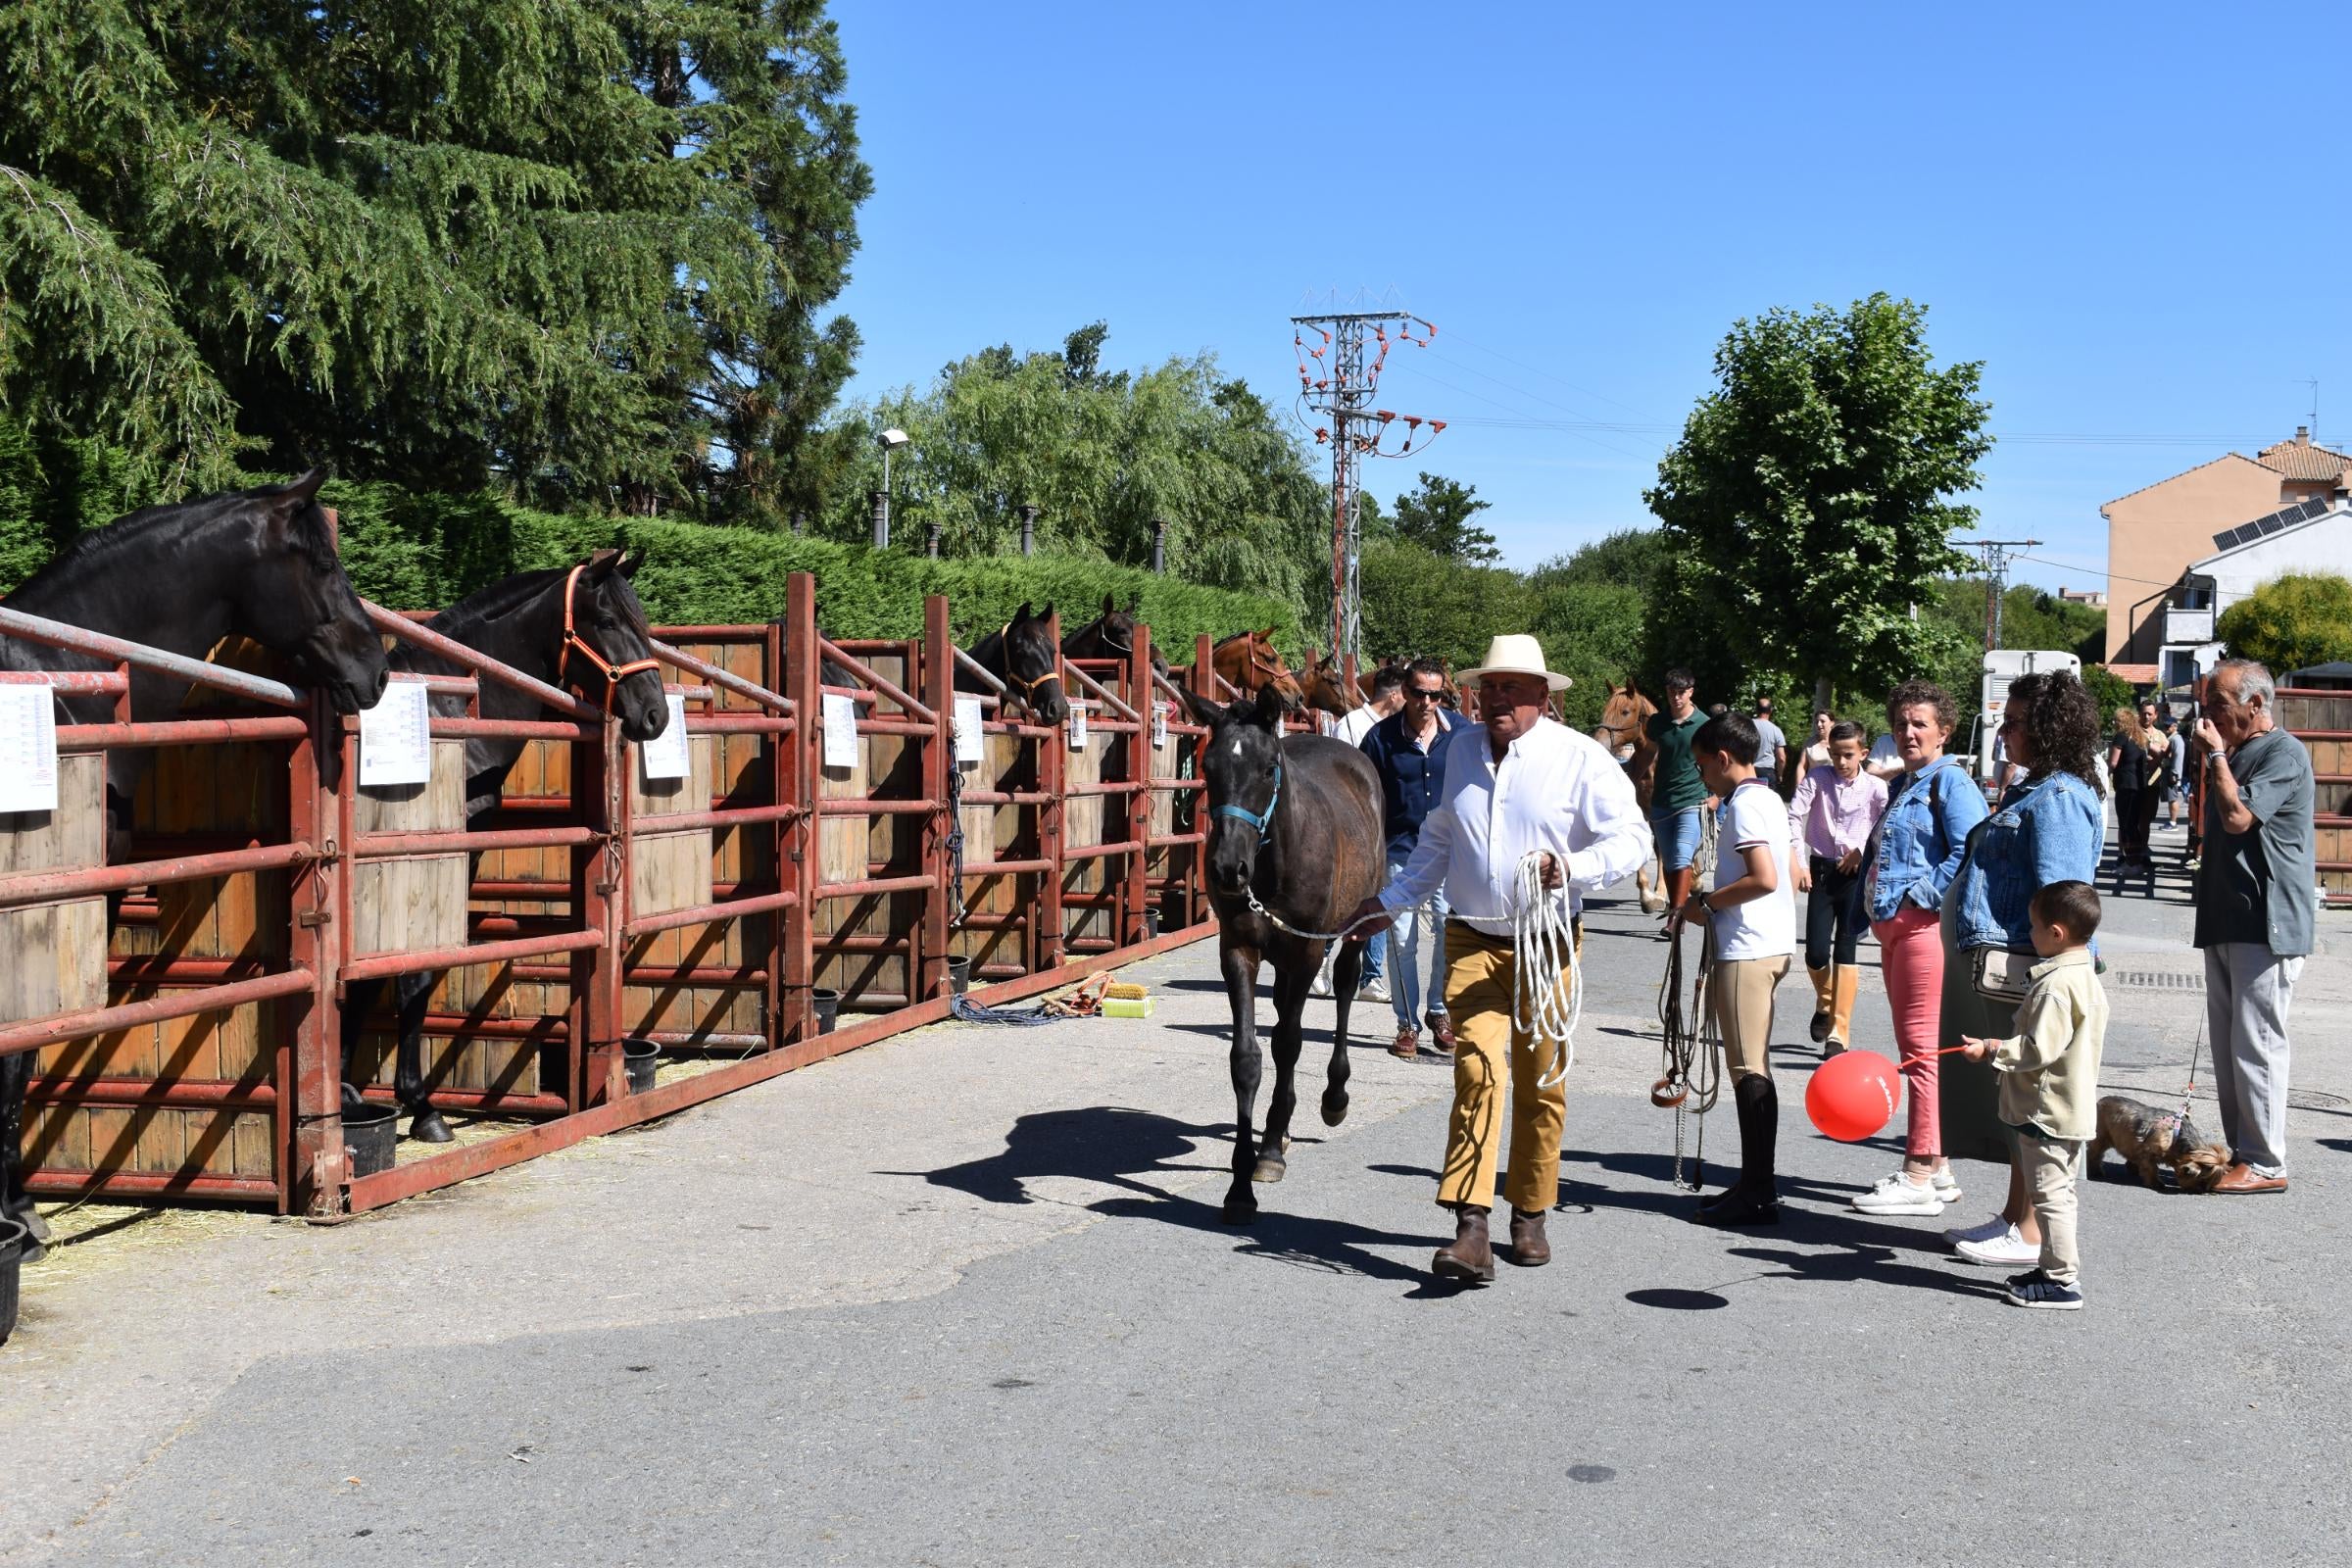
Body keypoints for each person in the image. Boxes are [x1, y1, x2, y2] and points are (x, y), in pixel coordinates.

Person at [1347, 634, 1648, 1282]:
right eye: (1489, 687)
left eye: (1512, 687)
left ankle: (1530, 1209)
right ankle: (1471, 1226)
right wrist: (1390, 901)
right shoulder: (1459, 750)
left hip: (1548, 941)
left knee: (1542, 1083)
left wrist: (1570, 867)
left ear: (1544, 696)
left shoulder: (1579, 757)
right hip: (1471, 938)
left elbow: (1632, 840)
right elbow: (1439, 838)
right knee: (1479, 1072)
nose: (1497, 698)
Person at [1939, 669, 2106, 1266]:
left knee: (2031, 1101)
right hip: (2013, 967)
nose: (2002, 733)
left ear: (2045, 728)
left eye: (2012, 723)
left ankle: (2031, 1230)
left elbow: (2062, 898)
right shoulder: (2039, 787)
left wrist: (2047, 983)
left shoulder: (2059, 797)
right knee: (2014, 1098)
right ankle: (2016, 1216)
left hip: (2028, 972)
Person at [1856, 679, 1988, 1216]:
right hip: (1895, 928)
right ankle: (1940, 1171)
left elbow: (1972, 844)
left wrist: (1922, 895)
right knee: (1921, 1050)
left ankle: (1918, 1170)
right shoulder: (1907, 784)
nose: (1908, 732)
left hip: (1921, 930)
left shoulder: (1949, 782)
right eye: (1902, 722)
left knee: (1921, 1054)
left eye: (1920, 724)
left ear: (1945, 731)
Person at [2193, 658, 2316, 1195]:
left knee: (2257, 1044)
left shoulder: (2284, 753)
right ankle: (2243, 1151)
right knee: (2228, 1044)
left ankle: (2266, 1162)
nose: (2208, 716)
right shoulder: (2240, 752)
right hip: (2227, 917)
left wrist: (2217, 756)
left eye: (2218, 705)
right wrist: (2222, 755)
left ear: (2256, 705)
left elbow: (2240, 817)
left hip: (2267, 922)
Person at [1957, 879, 2110, 1310]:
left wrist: (1990, 1048)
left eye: (2035, 928)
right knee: (2058, 1193)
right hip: (2067, 1107)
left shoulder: (2055, 987)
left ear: (2056, 933)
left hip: (2047, 1111)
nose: (2031, 936)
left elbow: (2037, 1049)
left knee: (2050, 1196)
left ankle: (2062, 1281)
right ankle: (2050, 1270)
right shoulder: (2082, 976)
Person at [1680, 710, 1796, 1226]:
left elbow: (1765, 877)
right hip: (1768, 944)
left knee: (1747, 1068)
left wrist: (1707, 903)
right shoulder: (1768, 798)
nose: (1703, 775)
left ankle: (1757, 1189)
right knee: (1755, 1064)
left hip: (1747, 947)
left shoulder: (1745, 807)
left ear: (1723, 759)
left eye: (1704, 765)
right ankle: (1756, 1184)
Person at [1358, 658, 1460, 1059]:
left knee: (1448, 935)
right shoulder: (1380, 739)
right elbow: (1364, 797)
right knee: (1402, 940)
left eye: (1435, 694)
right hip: (1401, 851)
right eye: (1419, 693)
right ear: (1405, 690)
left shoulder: (1462, 734)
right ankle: (1406, 1023)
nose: (1427, 702)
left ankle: (1439, 1010)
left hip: (1450, 854)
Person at [1788, 720, 1887, 1054]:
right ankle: (1825, 1001)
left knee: (1846, 952)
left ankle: (1838, 1034)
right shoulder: (1818, 779)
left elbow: (1884, 827)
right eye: (1835, 755)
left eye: (1848, 755)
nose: (1841, 763)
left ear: (1863, 753)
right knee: (1816, 952)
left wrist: (1863, 849)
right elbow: (1793, 816)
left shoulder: (1875, 788)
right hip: (1822, 873)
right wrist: (1800, 863)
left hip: (1855, 876)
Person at [1312, 668, 1405, 1002]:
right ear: (1394, 695)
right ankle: (1321, 961)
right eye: (1405, 694)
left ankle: (1371, 977)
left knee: (1378, 898)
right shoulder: (1351, 724)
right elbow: (1331, 772)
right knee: (1344, 901)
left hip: (1378, 825)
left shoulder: (1396, 729)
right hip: (1351, 826)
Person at [1638, 668, 1711, 925]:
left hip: (1693, 801)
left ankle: (1676, 917)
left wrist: (1715, 797)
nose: (1676, 697)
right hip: (1662, 803)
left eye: (1681, 692)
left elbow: (1718, 761)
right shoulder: (1658, 723)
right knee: (1669, 861)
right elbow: (1647, 754)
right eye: (1671, 692)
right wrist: (1628, 778)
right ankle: (1675, 905)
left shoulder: (1705, 725)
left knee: (1681, 855)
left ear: (1691, 692)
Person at [2107, 705, 2153, 870]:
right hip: (2139, 786)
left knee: (2125, 823)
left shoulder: (2121, 737)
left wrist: (2104, 773)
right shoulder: (2140, 738)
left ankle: (2130, 862)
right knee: (2134, 824)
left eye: (2116, 720)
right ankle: (2136, 859)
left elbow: (2113, 762)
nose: (2114, 722)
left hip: (2125, 785)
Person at [1751, 695, 1788, 795]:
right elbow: (1781, 758)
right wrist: (1780, 775)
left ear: (1756, 709)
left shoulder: (1747, 725)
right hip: (1766, 772)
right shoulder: (1776, 730)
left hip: (1748, 770)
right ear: (1770, 710)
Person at [1798, 709, 1835, 775]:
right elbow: (1802, 766)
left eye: (1822, 721)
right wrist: (1798, 785)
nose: (1819, 724)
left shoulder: (1838, 742)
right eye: (1817, 722)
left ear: (1832, 723)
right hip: (1813, 783)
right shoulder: (1809, 743)